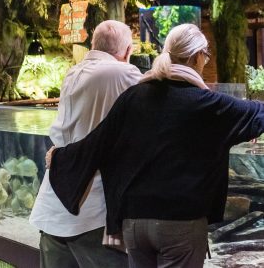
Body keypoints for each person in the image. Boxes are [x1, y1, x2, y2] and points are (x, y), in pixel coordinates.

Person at [48, 23, 264, 268]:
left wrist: (59, 157)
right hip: (180, 223)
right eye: (206, 56)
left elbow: (98, 141)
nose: (205, 61)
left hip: (134, 224)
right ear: (196, 57)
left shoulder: (134, 97)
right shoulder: (208, 104)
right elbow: (258, 113)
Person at [29, 20, 142, 268]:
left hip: (53, 203)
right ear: (127, 51)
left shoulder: (73, 72)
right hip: (90, 210)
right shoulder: (125, 73)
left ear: (93, 44)